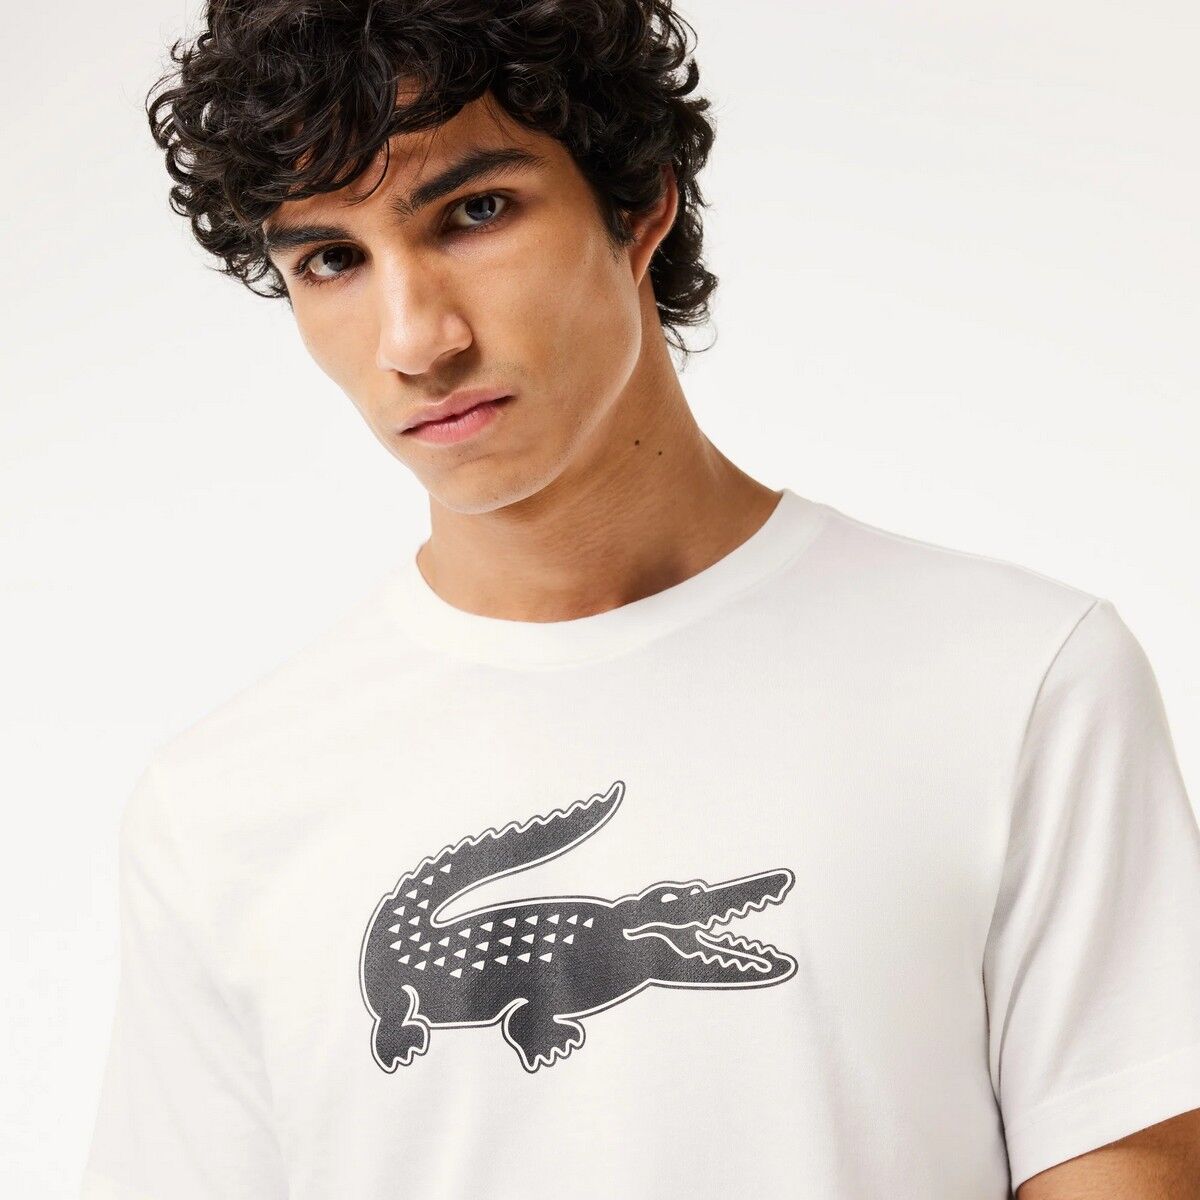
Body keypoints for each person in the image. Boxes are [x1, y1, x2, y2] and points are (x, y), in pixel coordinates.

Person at [82, 2, 1200, 1197]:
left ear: (640, 204)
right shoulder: (222, 804)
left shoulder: (1020, 679)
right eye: (331, 260)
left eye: (476, 212)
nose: (415, 341)